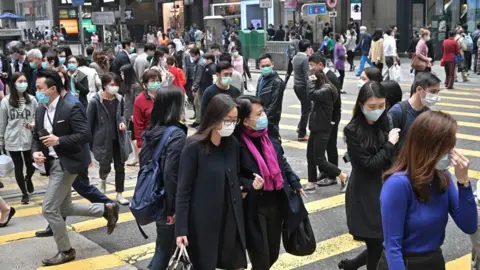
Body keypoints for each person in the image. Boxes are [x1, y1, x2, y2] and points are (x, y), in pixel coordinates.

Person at [32, 68, 119, 266]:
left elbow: (85, 135)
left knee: (49, 209)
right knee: (65, 207)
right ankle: (106, 208)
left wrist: (59, 140)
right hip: (51, 163)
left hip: (67, 163)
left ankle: (66, 250)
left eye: (39, 88)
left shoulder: (72, 106)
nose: (36, 91)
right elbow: (38, 135)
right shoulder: (41, 108)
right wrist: (35, 152)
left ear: (52, 89)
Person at [379, 111, 477, 270]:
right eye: (446, 148)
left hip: (434, 260)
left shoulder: (442, 177)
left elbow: (469, 225)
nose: (451, 153)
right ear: (429, 148)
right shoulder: (398, 185)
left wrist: (464, 182)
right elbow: (393, 248)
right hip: (404, 263)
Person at [176, 94, 250, 270]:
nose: (231, 124)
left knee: (235, 263)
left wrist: (248, 185)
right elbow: (183, 190)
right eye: (227, 120)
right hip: (203, 222)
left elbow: (236, 176)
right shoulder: (194, 147)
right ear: (214, 117)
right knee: (205, 262)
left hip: (231, 218)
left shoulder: (232, 144)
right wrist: (181, 229)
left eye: (235, 120)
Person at [235, 95, 305, 268]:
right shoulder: (235, 143)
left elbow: (281, 160)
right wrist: (248, 183)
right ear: (245, 121)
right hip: (253, 206)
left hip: (276, 201)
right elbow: (231, 175)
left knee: (273, 253)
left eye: (263, 112)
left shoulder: (270, 134)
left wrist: (294, 181)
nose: (263, 117)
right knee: (261, 258)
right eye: (258, 115)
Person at [339, 81, 400, 270]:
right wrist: (390, 144)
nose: (378, 110)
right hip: (366, 194)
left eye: (381, 106)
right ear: (361, 106)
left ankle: (354, 264)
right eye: (372, 107)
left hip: (386, 189)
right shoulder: (353, 130)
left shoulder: (384, 122)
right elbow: (369, 165)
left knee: (381, 240)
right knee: (376, 241)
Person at [143, 86, 187, 270]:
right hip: (166, 201)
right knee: (165, 249)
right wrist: (172, 210)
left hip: (154, 196)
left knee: (162, 244)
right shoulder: (176, 134)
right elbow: (171, 174)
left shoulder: (153, 129)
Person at [88, 72, 131, 204]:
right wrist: (89, 143)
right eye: (112, 85)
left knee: (120, 166)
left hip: (119, 138)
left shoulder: (119, 99)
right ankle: (103, 180)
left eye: (117, 85)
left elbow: (123, 114)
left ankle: (119, 193)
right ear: (104, 85)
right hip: (103, 140)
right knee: (105, 165)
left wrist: (123, 122)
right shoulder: (95, 101)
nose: (115, 87)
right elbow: (89, 123)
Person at [304, 70, 347, 193]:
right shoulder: (323, 88)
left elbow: (311, 95)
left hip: (322, 128)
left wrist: (310, 82)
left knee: (319, 159)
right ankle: (311, 183)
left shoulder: (326, 89)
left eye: (311, 78)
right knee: (310, 157)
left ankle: (343, 176)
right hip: (316, 127)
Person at [0, 73, 37, 204]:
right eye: (20, 81)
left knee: (31, 165)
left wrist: (34, 124)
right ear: (14, 83)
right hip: (12, 138)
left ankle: (29, 178)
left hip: (28, 138)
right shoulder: (6, 101)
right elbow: (2, 122)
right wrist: (1, 140)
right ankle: (24, 193)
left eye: (25, 81)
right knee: (18, 166)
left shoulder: (32, 100)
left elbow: (37, 117)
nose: (23, 83)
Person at [309, 53, 343, 187]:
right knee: (319, 148)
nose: (310, 69)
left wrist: (333, 120)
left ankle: (332, 175)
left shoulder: (331, 78)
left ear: (320, 65)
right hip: (321, 118)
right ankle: (324, 170)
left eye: (312, 66)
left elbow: (335, 102)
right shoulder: (320, 77)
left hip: (331, 118)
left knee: (330, 145)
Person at [389, 72, 441, 151]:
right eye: (433, 92)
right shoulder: (397, 112)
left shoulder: (427, 113)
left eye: (438, 92)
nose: (436, 96)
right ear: (419, 90)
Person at [257, 54, 285, 141]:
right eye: (263, 66)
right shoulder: (261, 78)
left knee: (273, 143)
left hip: (271, 121)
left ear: (272, 64)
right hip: (260, 116)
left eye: (268, 65)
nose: (265, 68)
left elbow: (274, 105)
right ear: (259, 66)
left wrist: (264, 119)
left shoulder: (277, 82)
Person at [119, 64, 142, 166]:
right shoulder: (128, 85)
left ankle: (139, 157)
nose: (121, 75)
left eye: (122, 74)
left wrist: (134, 114)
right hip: (129, 115)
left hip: (134, 116)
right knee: (132, 137)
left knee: (135, 138)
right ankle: (137, 157)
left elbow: (138, 101)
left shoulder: (135, 86)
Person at [133, 69, 162, 149]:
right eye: (153, 81)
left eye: (158, 81)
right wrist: (140, 143)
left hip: (163, 135)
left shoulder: (163, 96)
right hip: (148, 137)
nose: (156, 83)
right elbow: (138, 124)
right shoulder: (140, 99)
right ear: (146, 83)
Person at [292, 39, 312, 141]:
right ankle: (302, 134)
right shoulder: (305, 59)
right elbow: (306, 76)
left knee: (307, 107)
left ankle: (300, 126)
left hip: (296, 86)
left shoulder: (295, 57)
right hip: (303, 87)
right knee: (306, 109)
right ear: (308, 48)